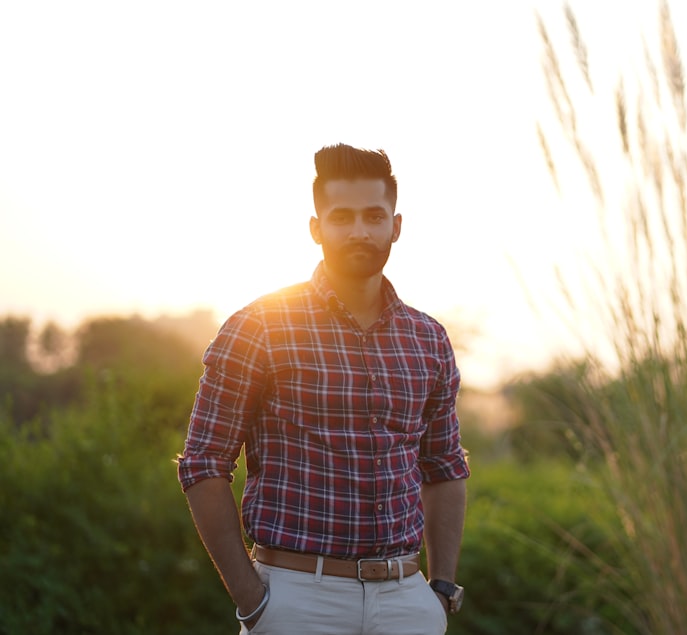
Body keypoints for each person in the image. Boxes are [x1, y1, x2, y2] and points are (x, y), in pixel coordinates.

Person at [177, 143, 470, 635]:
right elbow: (203, 463)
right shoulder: (260, 326)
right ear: (317, 228)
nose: (359, 230)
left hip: (406, 600)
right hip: (296, 600)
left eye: (375, 216)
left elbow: (444, 466)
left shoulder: (429, 339)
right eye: (342, 217)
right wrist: (254, 601)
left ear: (396, 226)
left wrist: (440, 590)